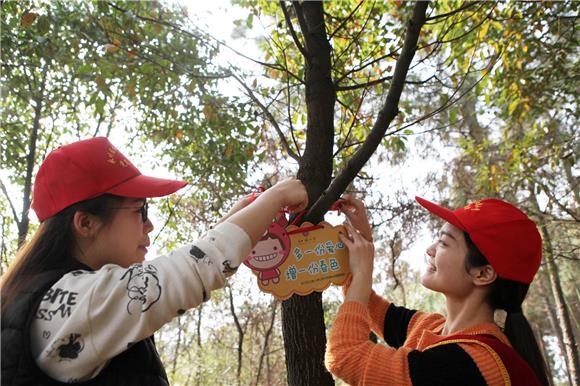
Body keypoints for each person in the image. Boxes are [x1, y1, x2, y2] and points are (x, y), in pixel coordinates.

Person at [1, 136, 308, 385]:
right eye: (140, 211)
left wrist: (239, 222)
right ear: (86, 224)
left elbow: (182, 270)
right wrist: (276, 198)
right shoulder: (68, 303)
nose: (148, 226)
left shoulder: (62, 297)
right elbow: (184, 274)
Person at [325, 195, 550, 386]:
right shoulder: (432, 327)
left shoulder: (474, 363)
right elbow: (367, 304)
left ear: (483, 274)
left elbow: (345, 355)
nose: (430, 250)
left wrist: (364, 271)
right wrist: (362, 239)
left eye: (444, 243)